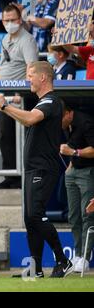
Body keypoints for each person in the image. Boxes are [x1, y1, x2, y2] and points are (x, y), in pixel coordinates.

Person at [0, 61, 74, 278]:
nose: (28, 79)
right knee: (30, 218)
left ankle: (63, 260)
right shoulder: (42, 101)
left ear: (43, 78)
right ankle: (35, 269)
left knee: (35, 216)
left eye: (30, 75)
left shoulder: (51, 101)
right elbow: (27, 120)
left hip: (43, 168)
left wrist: (4, 106)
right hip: (33, 168)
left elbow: (30, 119)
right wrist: (9, 110)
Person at [0, 3, 38, 189]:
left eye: (13, 20)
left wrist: (21, 91)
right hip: (4, 92)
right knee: (5, 136)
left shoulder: (27, 40)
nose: (9, 23)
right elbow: (2, 65)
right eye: (6, 20)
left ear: (20, 20)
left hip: (19, 94)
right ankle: (10, 175)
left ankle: (22, 176)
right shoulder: (5, 39)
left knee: (18, 136)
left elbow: (32, 67)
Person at [60, 105, 94, 273]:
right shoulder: (67, 125)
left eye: (60, 119)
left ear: (68, 113)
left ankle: (86, 258)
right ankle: (78, 254)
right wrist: (71, 164)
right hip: (73, 172)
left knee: (86, 214)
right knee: (73, 216)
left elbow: (93, 150)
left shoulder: (85, 122)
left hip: (88, 172)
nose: (59, 124)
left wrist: (73, 152)